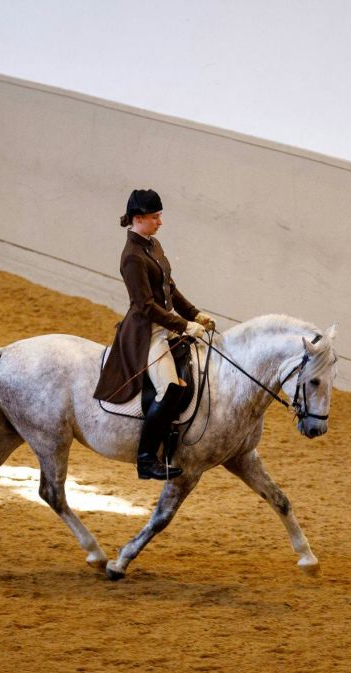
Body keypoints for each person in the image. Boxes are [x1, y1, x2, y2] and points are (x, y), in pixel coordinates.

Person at [93, 189, 216, 480]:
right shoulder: (132, 257)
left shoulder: (152, 245)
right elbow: (145, 306)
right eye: (155, 217)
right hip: (148, 332)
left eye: (159, 216)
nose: (160, 222)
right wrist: (184, 326)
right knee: (171, 387)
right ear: (138, 219)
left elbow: (169, 288)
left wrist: (194, 314)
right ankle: (146, 458)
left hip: (167, 324)